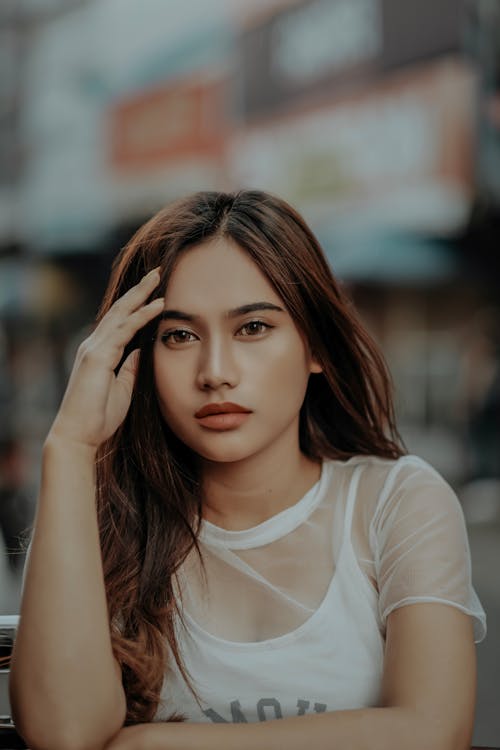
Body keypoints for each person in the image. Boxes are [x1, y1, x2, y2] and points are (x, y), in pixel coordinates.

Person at [9, 190, 486, 750]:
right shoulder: (105, 523)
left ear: (316, 348)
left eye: (253, 328)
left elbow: (433, 730)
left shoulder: (398, 501)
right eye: (180, 336)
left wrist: (153, 745)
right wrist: (68, 446)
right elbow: (64, 733)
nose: (215, 372)